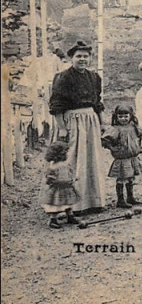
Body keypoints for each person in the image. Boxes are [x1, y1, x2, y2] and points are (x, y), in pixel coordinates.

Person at [49, 40, 105, 214]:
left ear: (90, 59)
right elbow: (56, 105)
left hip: (91, 121)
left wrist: (102, 122)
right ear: (71, 58)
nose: (82, 59)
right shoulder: (63, 77)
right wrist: (63, 128)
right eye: (78, 56)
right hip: (72, 121)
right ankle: (72, 206)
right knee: (73, 161)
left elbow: (97, 102)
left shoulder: (94, 77)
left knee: (91, 159)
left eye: (86, 56)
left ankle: (93, 201)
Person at [101, 105, 142, 208]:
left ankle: (130, 197)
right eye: (120, 116)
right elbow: (105, 140)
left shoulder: (133, 127)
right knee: (121, 178)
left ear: (131, 116)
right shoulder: (115, 129)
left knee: (130, 178)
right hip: (122, 158)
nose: (123, 119)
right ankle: (120, 200)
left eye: (126, 116)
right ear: (116, 117)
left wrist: (137, 147)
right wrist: (113, 148)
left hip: (132, 157)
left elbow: (140, 136)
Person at [39, 141, 80, 229]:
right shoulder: (53, 167)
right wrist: (53, 181)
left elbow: (69, 173)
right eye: (66, 152)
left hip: (67, 188)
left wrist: (73, 179)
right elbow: (50, 178)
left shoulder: (66, 164)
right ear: (60, 154)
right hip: (57, 189)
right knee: (56, 205)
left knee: (68, 203)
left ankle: (70, 216)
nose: (67, 154)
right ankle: (53, 220)